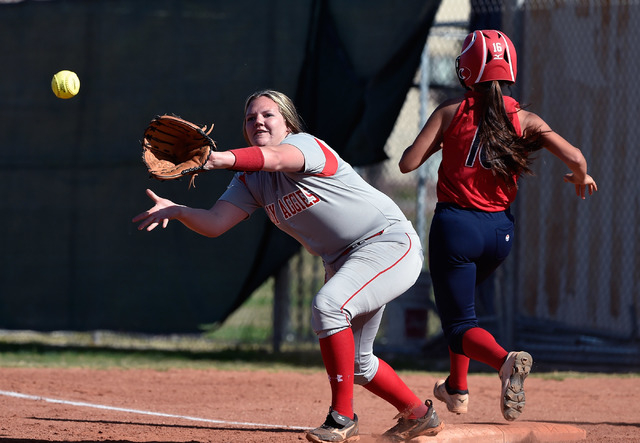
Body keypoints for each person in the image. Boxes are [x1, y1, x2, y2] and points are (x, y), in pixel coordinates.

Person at [133, 89, 444, 442]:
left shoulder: (305, 145)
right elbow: (216, 222)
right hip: (344, 261)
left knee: (329, 306)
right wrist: (177, 210)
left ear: (287, 122)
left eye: (267, 115)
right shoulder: (251, 179)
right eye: (250, 119)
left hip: (387, 242)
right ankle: (419, 415)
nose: (258, 122)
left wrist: (216, 159)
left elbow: (277, 159)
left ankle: (342, 418)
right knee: (358, 364)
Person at [398, 30, 597, 422]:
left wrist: (442, 141)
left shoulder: (450, 112)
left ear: (467, 69)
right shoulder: (525, 118)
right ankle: (456, 389)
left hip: (456, 228)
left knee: (458, 325)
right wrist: (581, 176)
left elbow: (407, 163)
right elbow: (575, 156)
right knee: (464, 310)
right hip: (499, 234)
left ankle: (505, 361)